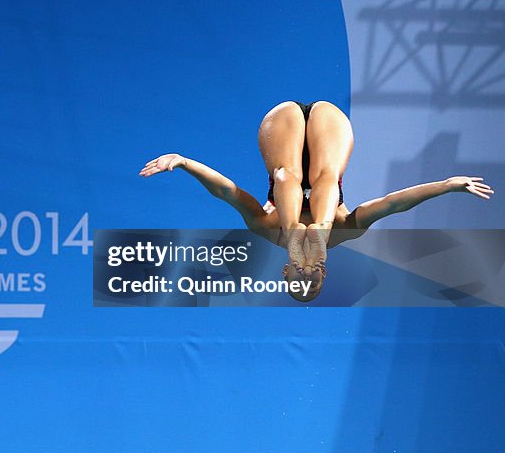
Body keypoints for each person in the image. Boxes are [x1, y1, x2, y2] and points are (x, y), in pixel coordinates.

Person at [140, 100, 493, 302]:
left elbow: (228, 192)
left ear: (286, 270)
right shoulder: (343, 233)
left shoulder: (265, 228)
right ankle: (312, 230)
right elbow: (391, 203)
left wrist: (186, 163)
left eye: (299, 280)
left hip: (284, 132)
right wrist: (446, 185)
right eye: (316, 281)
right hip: (328, 133)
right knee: (325, 180)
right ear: (324, 273)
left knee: (284, 177)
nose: (309, 275)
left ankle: (295, 228)